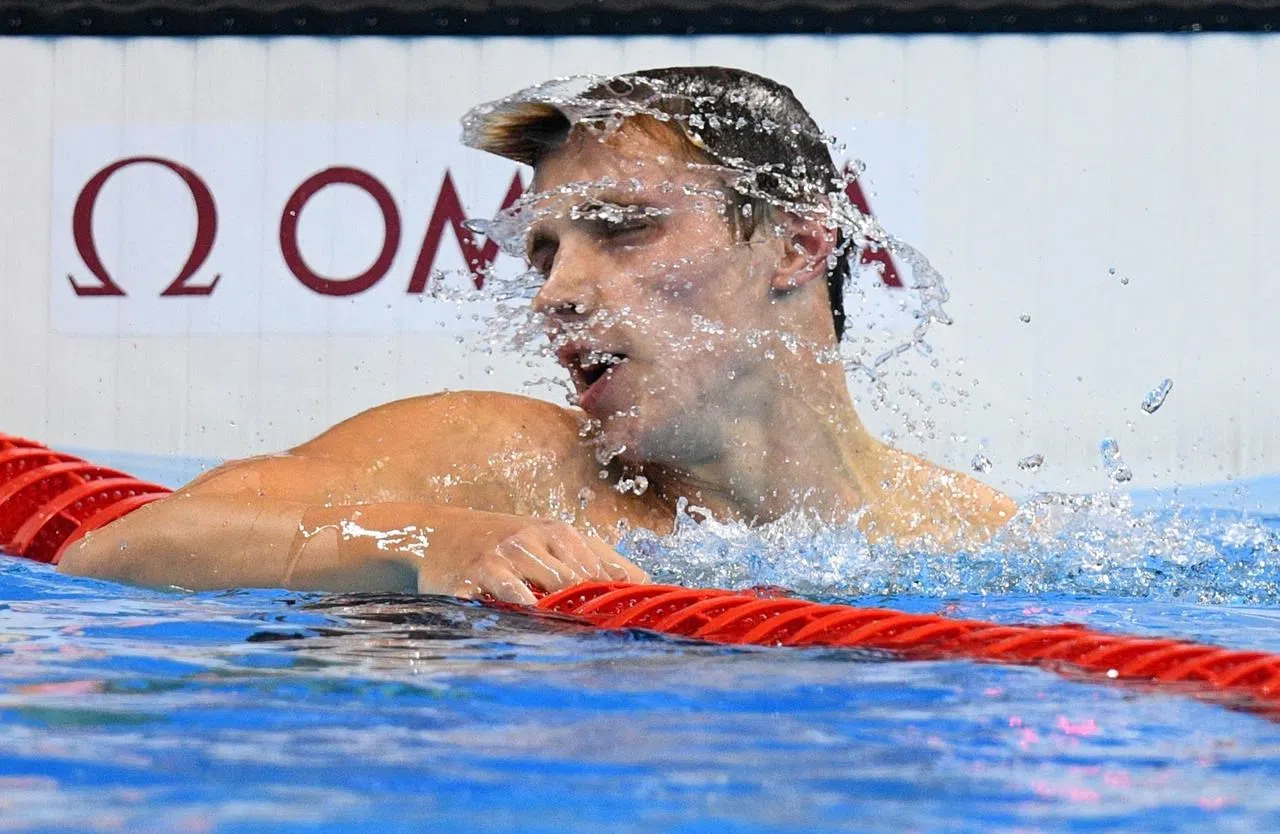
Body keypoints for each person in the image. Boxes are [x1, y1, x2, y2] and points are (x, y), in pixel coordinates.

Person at [58, 67, 1015, 603]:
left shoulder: (972, 537)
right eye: (545, 252)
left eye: (625, 226)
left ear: (798, 246)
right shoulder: (512, 462)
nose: (556, 291)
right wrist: (437, 538)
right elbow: (124, 551)